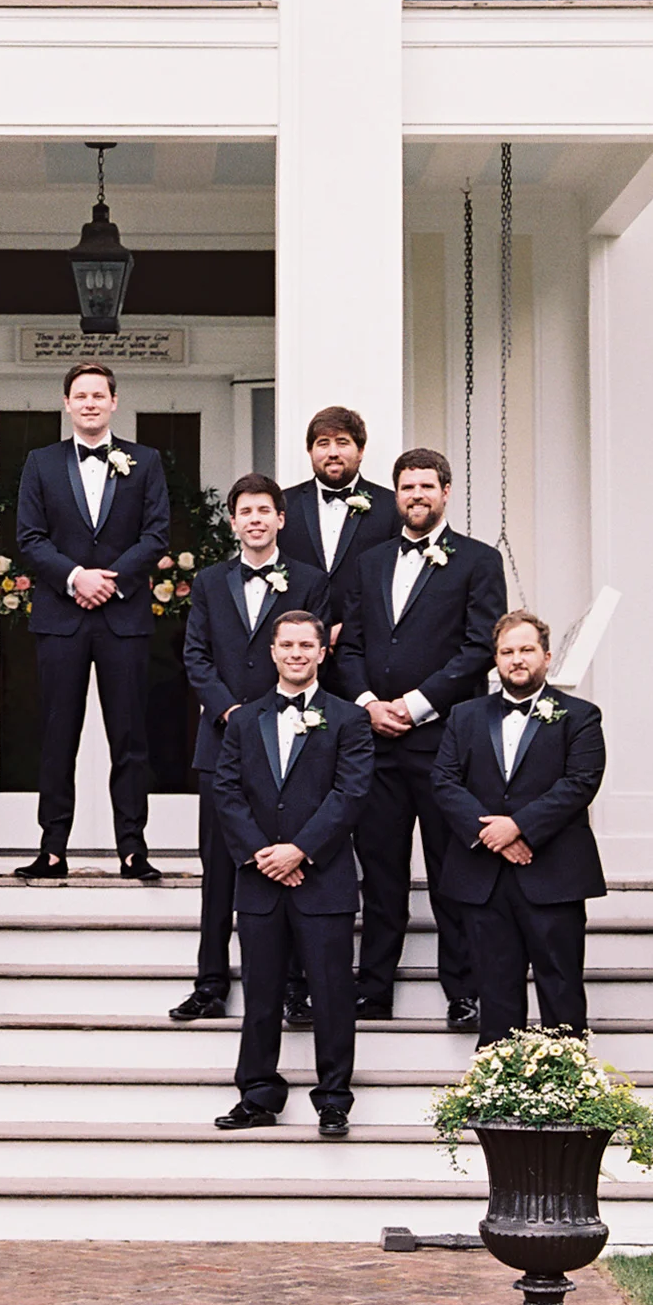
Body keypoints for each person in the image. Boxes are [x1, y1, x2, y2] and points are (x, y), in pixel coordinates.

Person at [332, 448, 505, 1028]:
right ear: (396, 494)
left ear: (447, 491)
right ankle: (373, 990)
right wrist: (366, 705)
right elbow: (349, 645)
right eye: (406, 487)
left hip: (444, 745)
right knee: (379, 872)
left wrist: (414, 705)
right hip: (375, 744)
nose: (416, 496)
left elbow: (479, 647)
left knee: (451, 869)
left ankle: (464, 991)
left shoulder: (480, 561)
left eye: (426, 486)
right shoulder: (371, 560)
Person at [171, 475, 330, 1022]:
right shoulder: (212, 582)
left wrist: (265, 713)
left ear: (281, 519)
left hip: (293, 746)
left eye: (266, 510)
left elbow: (310, 654)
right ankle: (211, 982)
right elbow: (196, 656)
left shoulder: (311, 581)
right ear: (233, 521)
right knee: (219, 870)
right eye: (246, 511)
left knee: (289, 868)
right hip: (221, 745)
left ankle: (294, 987)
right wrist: (232, 713)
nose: (256, 519)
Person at [210, 610, 373, 1139]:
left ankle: (333, 1098)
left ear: (323, 652)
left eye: (308, 644)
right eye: (288, 644)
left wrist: (300, 850)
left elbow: (350, 795)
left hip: (322, 880)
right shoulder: (243, 719)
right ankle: (257, 1093)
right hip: (259, 880)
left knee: (330, 993)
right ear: (274, 652)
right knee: (259, 992)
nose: (297, 653)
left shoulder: (349, 720)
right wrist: (264, 854)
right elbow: (226, 792)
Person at [12, 359, 171, 882]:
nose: (89, 403)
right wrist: (77, 577)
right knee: (58, 733)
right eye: (80, 395)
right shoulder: (40, 462)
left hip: (124, 619)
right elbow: (30, 537)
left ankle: (132, 848)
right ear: (66, 403)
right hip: (61, 618)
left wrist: (112, 580)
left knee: (130, 736)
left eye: (98, 395)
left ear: (114, 402)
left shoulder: (144, 461)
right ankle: (53, 848)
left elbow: (156, 535)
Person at [432, 610, 607, 1047]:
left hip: (554, 875)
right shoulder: (463, 716)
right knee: (495, 989)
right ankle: (498, 1094)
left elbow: (580, 783)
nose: (517, 659)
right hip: (483, 879)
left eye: (526, 650)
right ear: (495, 660)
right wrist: (491, 835)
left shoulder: (580, 716)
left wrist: (519, 828)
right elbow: (444, 781)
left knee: (561, 988)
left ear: (547, 657)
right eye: (507, 652)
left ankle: (567, 1089)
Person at [280, 405, 402, 612]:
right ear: (310, 451)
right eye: (323, 444)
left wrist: (349, 626)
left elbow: (396, 579)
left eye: (342, 443)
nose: (333, 453)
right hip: (297, 635)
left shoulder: (391, 506)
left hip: (364, 635)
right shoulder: (283, 504)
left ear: (361, 450)